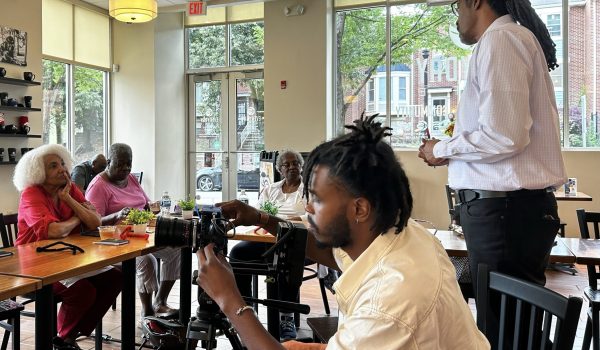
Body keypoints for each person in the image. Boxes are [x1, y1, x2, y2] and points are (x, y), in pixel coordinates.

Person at [196, 115, 490, 349]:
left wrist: (230, 300)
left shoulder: (387, 305)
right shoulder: (401, 237)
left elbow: (382, 312)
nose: (308, 208)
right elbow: (326, 251)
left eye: (317, 199)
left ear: (359, 209)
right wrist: (261, 218)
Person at [418, 0, 566, 347]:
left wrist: (441, 149)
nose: (456, 19)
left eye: (456, 8)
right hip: (507, 213)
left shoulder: (502, 40)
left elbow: (504, 134)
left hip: (504, 213)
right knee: (511, 327)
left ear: (474, 1)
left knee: (505, 331)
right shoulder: (508, 40)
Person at [13, 144, 122, 350]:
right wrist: (76, 216)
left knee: (115, 277)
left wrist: (69, 200)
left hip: (67, 258)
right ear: (39, 173)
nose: (62, 169)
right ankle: (64, 340)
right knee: (83, 291)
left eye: (62, 163)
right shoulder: (31, 194)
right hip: (33, 267)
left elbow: (95, 221)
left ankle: (67, 338)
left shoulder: (69, 188)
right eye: (53, 166)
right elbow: (54, 231)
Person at [85, 143, 180, 318]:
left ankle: (160, 302)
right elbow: (92, 223)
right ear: (109, 161)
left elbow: (145, 204)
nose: (126, 168)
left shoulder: (131, 179)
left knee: (176, 249)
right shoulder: (98, 186)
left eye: (129, 163)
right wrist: (117, 215)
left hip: (141, 234)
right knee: (146, 260)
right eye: (121, 164)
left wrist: (157, 207)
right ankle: (147, 311)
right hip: (113, 242)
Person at [229, 149, 306, 341]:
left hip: (297, 241)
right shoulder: (270, 189)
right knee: (238, 253)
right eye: (286, 165)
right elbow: (258, 213)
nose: (291, 167)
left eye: (295, 163)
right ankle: (247, 308)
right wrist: (271, 222)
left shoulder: (309, 189)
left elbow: (310, 216)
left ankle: (286, 318)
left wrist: (281, 221)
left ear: (301, 166)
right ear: (279, 169)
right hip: (267, 238)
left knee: (284, 259)